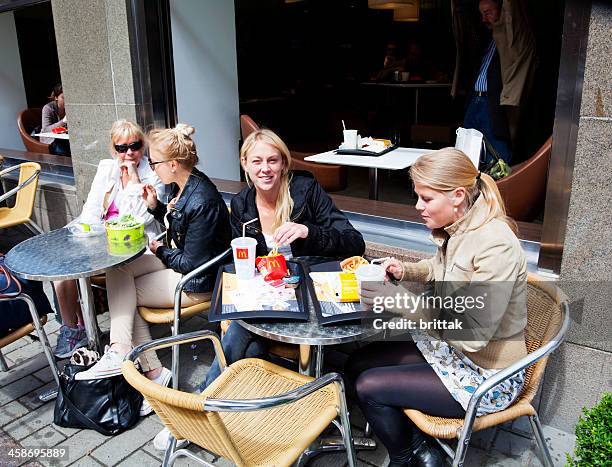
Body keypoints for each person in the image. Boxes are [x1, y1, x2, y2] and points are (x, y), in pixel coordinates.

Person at [153, 127, 365, 450]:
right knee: (248, 347)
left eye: (272, 160)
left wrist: (308, 231)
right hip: (271, 296)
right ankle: (269, 424)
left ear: (283, 163)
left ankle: (195, 415)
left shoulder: (306, 190)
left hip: (312, 296)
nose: (265, 168)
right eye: (257, 161)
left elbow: (355, 243)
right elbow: (237, 257)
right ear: (245, 165)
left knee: (239, 336)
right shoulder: (241, 205)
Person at [347, 148, 528, 466]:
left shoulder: (495, 244)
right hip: (452, 351)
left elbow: (472, 334)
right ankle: (422, 448)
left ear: (457, 195)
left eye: (426, 198)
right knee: (357, 362)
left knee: (369, 386)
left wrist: (399, 301)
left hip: (488, 374)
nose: (418, 206)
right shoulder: (460, 226)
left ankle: (404, 458)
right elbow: (440, 267)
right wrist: (406, 271)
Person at [76, 124, 231, 414]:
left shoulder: (201, 198)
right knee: (118, 269)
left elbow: (190, 264)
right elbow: (180, 228)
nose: (150, 166)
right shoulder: (187, 185)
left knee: (125, 294)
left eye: (153, 161)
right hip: (184, 266)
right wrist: (156, 207)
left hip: (198, 283)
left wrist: (159, 248)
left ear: (172, 165)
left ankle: (141, 365)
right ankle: (132, 357)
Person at [52, 120, 164, 359]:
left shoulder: (153, 174)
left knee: (118, 273)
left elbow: (137, 220)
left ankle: (122, 352)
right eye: (122, 148)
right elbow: (91, 210)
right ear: (113, 149)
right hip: (100, 241)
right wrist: (90, 234)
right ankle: (73, 330)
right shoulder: (107, 168)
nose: (129, 152)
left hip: (138, 247)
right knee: (62, 273)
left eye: (135, 145)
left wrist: (133, 179)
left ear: (143, 146)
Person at [452, 0, 536, 164]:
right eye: (482, 13)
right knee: (466, 150)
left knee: (496, 153)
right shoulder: (487, 40)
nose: (484, 18)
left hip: (493, 103)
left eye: (488, 12)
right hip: (475, 101)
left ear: (502, 11)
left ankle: (499, 186)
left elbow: (512, 15)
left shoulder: (514, 39)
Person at [40, 84, 71, 156]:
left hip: (65, 139)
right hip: (51, 140)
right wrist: (63, 121)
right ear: (56, 97)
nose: (67, 100)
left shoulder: (69, 108)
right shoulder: (48, 108)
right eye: (63, 97)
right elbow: (46, 129)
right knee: (66, 152)